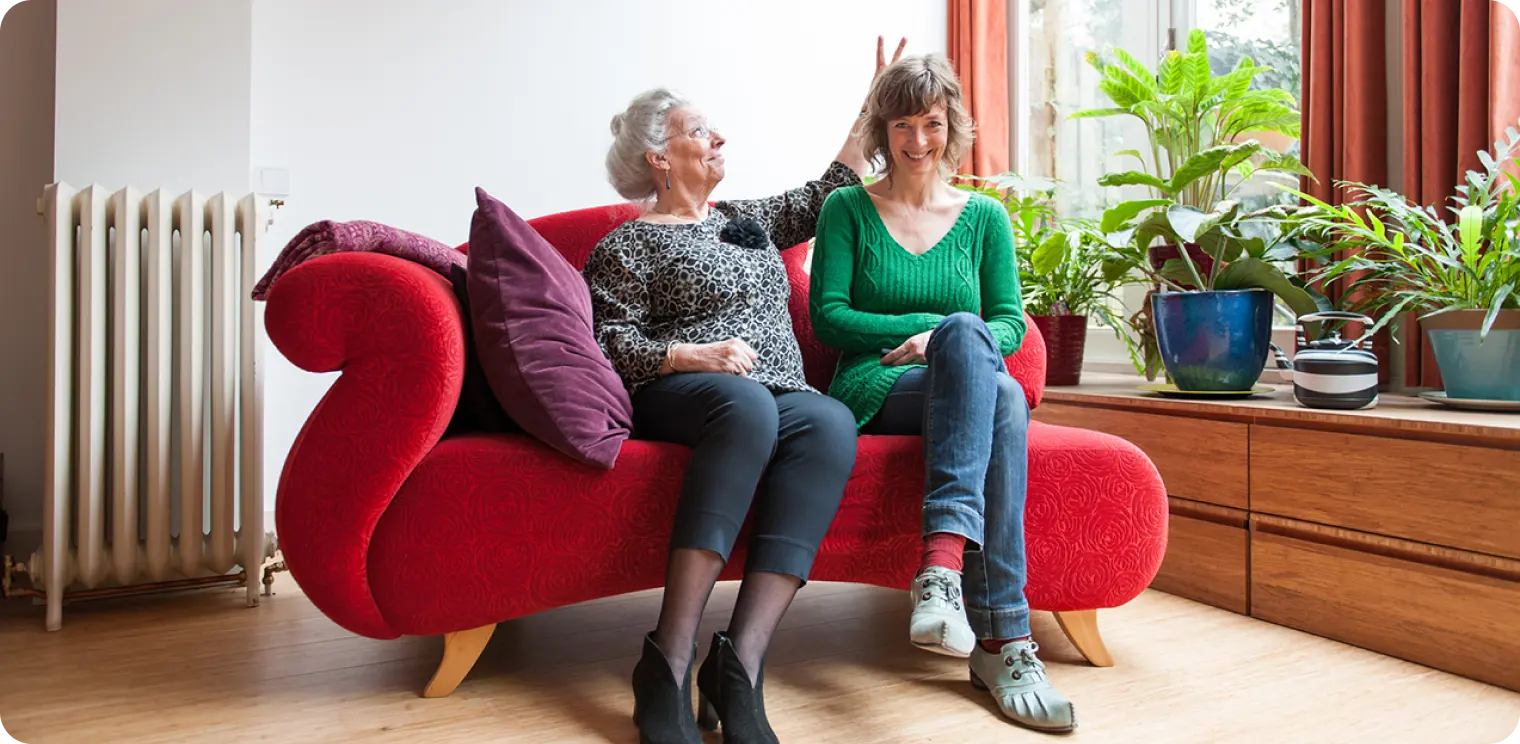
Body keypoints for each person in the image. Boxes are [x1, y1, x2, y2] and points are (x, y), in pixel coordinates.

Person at [583, 37, 909, 744]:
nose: (719, 138)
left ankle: (741, 664)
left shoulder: (746, 221)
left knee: (828, 420)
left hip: (773, 391)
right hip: (683, 389)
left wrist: (872, 105)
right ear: (659, 158)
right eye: (700, 130)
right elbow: (606, 342)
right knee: (748, 404)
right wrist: (689, 355)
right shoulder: (626, 246)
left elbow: (828, 189)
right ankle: (668, 659)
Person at [806, 54, 1077, 734]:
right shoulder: (847, 209)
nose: (918, 140)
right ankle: (1002, 637)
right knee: (984, 368)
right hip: (876, 384)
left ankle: (947, 579)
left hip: (961, 383)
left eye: (931, 122)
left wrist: (949, 340)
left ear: (952, 125)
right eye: (903, 124)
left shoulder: (984, 217)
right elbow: (829, 318)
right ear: (883, 129)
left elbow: (1009, 323)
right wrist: (935, 331)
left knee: (1000, 393)